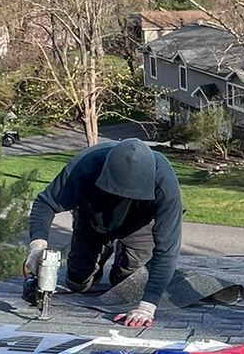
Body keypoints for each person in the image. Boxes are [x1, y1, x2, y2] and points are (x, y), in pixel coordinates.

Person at [24, 137, 183, 331]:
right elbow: (45, 203)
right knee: (77, 283)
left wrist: (147, 306)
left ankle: (123, 262)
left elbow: (167, 249)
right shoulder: (86, 166)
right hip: (92, 220)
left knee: (128, 287)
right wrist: (37, 244)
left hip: (139, 227)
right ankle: (100, 250)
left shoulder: (164, 183)